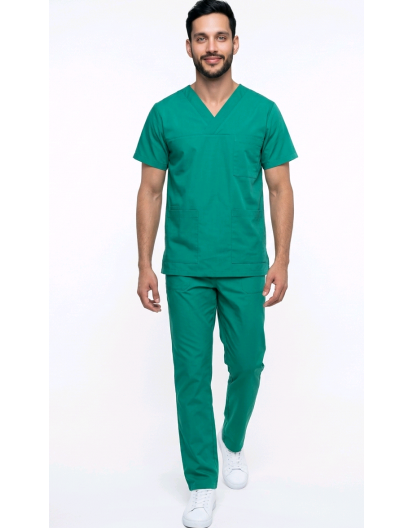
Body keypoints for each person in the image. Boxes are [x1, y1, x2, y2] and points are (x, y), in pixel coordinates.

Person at [133, 1, 298, 526]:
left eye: (220, 37)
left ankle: (232, 438)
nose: (211, 47)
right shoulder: (165, 114)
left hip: (246, 263)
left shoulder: (263, 113)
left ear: (235, 43)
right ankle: (202, 482)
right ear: (188, 46)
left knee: (248, 362)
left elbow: (280, 188)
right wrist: (144, 264)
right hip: (185, 266)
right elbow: (150, 190)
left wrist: (282, 259)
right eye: (201, 38)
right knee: (191, 375)